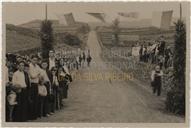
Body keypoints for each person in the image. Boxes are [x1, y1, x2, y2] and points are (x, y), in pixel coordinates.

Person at [29, 55, 41, 120]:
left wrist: (37, 74)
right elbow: (32, 76)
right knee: (32, 100)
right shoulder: (29, 66)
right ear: (31, 60)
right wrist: (37, 74)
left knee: (36, 100)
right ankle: (31, 116)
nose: (35, 61)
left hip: (36, 84)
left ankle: (35, 115)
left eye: (36, 60)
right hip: (32, 85)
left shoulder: (37, 66)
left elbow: (40, 73)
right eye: (34, 60)